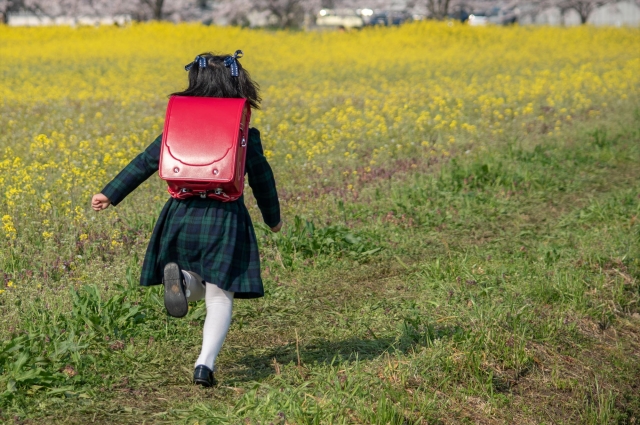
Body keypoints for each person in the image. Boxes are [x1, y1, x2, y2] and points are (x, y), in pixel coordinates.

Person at [91, 51, 282, 388]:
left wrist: (110, 193)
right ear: (238, 83)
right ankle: (204, 365)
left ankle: (180, 277)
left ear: (195, 81)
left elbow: (146, 162)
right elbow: (261, 178)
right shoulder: (244, 132)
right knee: (220, 295)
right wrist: (273, 218)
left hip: (181, 214)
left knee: (193, 278)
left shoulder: (178, 123)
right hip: (225, 219)